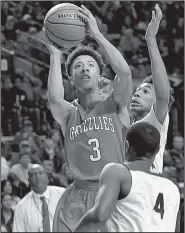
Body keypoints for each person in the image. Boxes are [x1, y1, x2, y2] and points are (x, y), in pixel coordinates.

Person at [43, 4, 132, 232]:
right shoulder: (68, 114)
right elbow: (54, 98)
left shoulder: (115, 104)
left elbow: (124, 72)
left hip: (113, 194)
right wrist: (55, 55)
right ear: (71, 79)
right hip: (77, 196)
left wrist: (97, 34)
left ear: (98, 74)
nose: (85, 69)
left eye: (90, 65)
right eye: (78, 67)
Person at [74, 122, 180, 232]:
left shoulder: (118, 172)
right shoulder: (172, 187)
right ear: (157, 150)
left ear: (126, 146)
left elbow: (99, 216)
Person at [129, 4, 173, 174]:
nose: (137, 93)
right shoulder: (129, 125)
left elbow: (163, 95)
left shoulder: (155, 121)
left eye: (146, 91)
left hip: (149, 190)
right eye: (137, 91)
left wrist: (151, 40)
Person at [12, 164, 65, 232]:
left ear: (46, 177)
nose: (37, 177)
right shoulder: (21, 206)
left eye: (40, 173)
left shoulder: (62, 193)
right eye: (33, 174)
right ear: (29, 181)